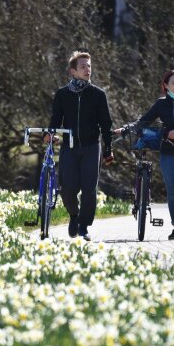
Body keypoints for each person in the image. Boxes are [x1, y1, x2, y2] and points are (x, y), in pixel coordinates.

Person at [115, 69, 174, 240]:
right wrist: (127, 128)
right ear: (166, 86)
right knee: (172, 191)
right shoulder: (161, 104)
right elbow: (144, 121)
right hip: (168, 153)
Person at [45, 51, 114, 241]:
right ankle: (74, 215)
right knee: (67, 188)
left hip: (92, 146)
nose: (87, 69)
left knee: (89, 188)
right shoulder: (62, 94)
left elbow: (106, 124)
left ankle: (84, 226)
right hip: (70, 147)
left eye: (89, 66)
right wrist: (49, 134)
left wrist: (108, 148)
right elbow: (55, 120)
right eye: (83, 66)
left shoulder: (98, 95)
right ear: (73, 71)